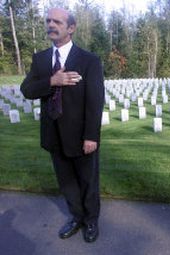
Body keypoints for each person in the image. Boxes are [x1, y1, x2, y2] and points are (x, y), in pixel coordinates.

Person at [20, 8, 104, 243]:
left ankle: (91, 220)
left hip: (81, 136)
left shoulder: (89, 60)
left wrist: (91, 136)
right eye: (48, 21)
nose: (51, 24)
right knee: (66, 182)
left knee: (88, 181)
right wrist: (51, 81)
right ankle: (76, 217)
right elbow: (27, 90)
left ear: (71, 28)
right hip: (53, 134)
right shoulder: (40, 59)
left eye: (57, 21)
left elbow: (95, 101)